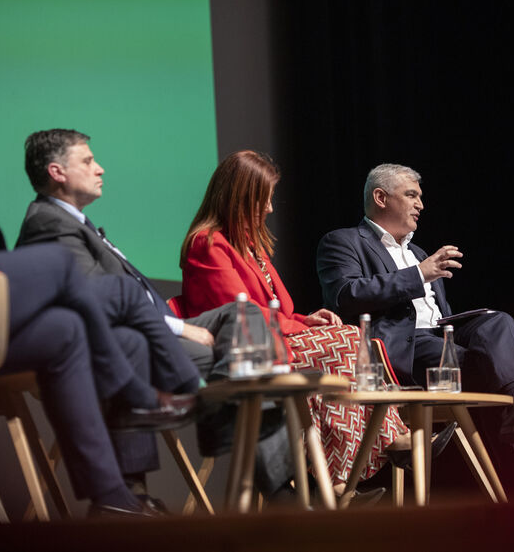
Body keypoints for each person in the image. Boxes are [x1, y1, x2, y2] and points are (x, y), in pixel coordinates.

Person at [0, 90, 198, 516]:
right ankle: (137, 391)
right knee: (60, 265)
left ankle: (111, 496)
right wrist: (27, 273)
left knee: (66, 329)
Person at [15, 129, 292, 501]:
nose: (100, 169)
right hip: (129, 341)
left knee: (243, 316)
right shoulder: (48, 222)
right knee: (251, 361)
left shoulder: (75, 222)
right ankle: (274, 486)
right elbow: (93, 301)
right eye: (87, 161)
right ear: (56, 172)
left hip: (155, 329)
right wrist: (177, 327)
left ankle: (225, 408)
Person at [178, 150, 454, 498]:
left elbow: (276, 310)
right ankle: (378, 451)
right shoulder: (208, 245)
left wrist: (304, 319)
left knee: (334, 365)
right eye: (264, 200)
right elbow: (239, 314)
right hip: (241, 352)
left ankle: (339, 485)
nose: (270, 209)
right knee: (349, 341)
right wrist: (298, 327)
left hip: (275, 342)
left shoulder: (252, 248)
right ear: (240, 197)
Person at [317, 163, 514, 487]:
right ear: (380, 197)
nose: (421, 205)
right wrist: (419, 274)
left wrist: (422, 269)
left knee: (497, 321)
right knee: (488, 368)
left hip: (440, 332)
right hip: (400, 347)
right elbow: (347, 295)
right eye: (411, 195)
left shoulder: (417, 251)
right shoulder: (344, 241)